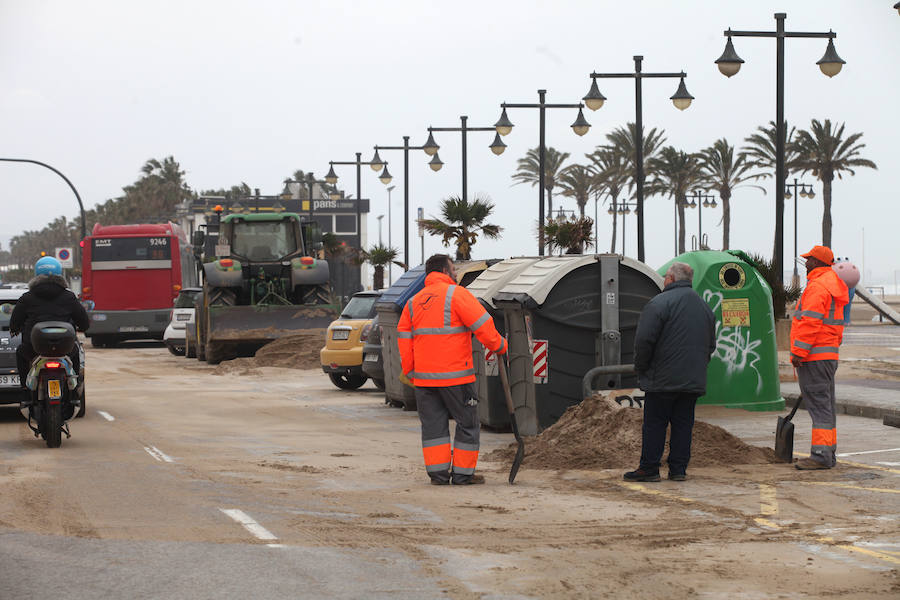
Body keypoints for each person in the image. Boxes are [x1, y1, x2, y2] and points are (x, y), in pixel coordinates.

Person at [397, 254, 507, 486]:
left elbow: (404, 339)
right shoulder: (457, 295)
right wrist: (499, 346)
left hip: (425, 381)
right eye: (454, 270)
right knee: (467, 424)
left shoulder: (413, 302)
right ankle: (462, 475)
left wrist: (410, 370)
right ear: (445, 272)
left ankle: (438, 475)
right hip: (457, 378)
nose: (456, 274)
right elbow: (483, 325)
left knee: (433, 427)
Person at [625, 262, 716, 482]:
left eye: (666, 276)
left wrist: (641, 367)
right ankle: (678, 469)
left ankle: (649, 468)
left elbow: (644, 341)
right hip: (692, 379)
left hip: (662, 379)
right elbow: (711, 345)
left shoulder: (659, 304)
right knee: (683, 424)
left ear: (671, 279)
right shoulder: (705, 308)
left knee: (655, 423)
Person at [790, 245, 848, 470]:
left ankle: (821, 455)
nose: (806, 263)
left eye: (810, 260)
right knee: (826, 405)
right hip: (827, 355)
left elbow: (810, 322)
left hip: (814, 357)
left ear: (819, 263)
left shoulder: (817, 287)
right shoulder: (833, 286)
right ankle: (828, 452)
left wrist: (798, 353)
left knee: (819, 406)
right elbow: (836, 326)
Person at [10, 256, 90, 405]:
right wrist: (83, 328)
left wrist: (15, 329)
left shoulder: (27, 298)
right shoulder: (69, 297)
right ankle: (73, 390)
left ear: (36, 274)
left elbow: (15, 321)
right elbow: (84, 322)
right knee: (76, 351)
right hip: (65, 347)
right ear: (59, 274)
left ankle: (25, 391)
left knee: (21, 352)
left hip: (33, 348)